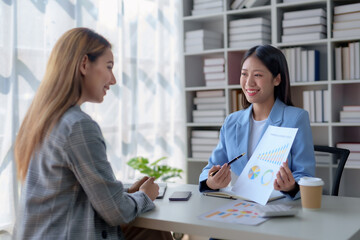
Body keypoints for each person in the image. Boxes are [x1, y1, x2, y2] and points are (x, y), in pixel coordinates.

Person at [14, 27, 173, 240]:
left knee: (151, 230)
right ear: (84, 64)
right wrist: (145, 196)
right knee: (154, 228)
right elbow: (116, 212)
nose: (113, 79)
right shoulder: (77, 126)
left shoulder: (41, 118)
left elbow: (71, 193)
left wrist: (124, 195)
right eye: (109, 67)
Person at [199, 44, 316, 199]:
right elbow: (209, 169)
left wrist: (291, 186)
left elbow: (306, 175)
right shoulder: (232, 122)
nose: (249, 83)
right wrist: (212, 182)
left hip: (279, 206)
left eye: (258, 75)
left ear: (277, 79)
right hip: (241, 206)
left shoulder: (296, 118)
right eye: (244, 74)